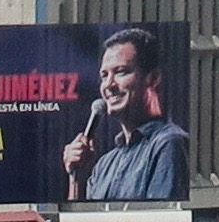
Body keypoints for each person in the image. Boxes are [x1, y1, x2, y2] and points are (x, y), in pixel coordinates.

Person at [60, 27, 187, 202]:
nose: (108, 85)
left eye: (120, 72)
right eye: (104, 76)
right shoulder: (104, 165)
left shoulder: (168, 144)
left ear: (153, 78)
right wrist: (76, 180)